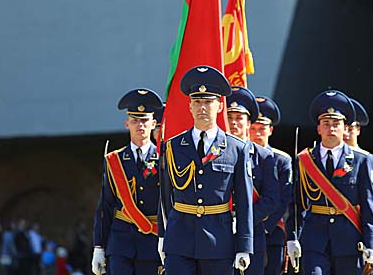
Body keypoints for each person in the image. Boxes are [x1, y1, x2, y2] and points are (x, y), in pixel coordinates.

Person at [158, 66, 254, 275]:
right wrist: (162, 235)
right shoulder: (172, 146)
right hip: (179, 238)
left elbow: (244, 200)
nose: (203, 107)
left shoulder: (236, 148)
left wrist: (244, 246)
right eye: (197, 102)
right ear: (190, 106)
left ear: (220, 106)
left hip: (218, 240)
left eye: (209, 102)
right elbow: (165, 197)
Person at [286, 89, 373, 275]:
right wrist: (292, 237)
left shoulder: (361, 160)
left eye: (336, 124)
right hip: (314, 239)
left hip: (349, 240)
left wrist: (372, 243)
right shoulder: (304, 160)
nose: (331, 128)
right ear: (319, 128)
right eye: (326, 124)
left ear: (346, 128)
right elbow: (295, 203)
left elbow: (369, 206)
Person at [92, 88, 163, 275]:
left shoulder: (164, 158)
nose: (140, 125)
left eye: (145, 120)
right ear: (127, 124)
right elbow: (105, 207)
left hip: (152, 242)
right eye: (135, 121)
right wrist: (99, 247)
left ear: (153, 123)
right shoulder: (114, 160)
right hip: (121, 244)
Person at [226, 86, 279, 275]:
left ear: (249, 123)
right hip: (218, 230)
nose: (234, 123)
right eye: (230, 118)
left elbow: (271, 198)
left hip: (251, 233)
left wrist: (244, 220)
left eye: (239, 118)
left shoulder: (264, 156)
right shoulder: (215, 152)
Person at [343, 97, 373, 269]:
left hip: (362, 230)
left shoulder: (372, 161)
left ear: (358, 130)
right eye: (344, 128)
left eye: (351, 128)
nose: (347, 133)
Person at [250, 96, 293, 275]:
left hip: (272, 230)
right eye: (253, 128)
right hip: (246, 229)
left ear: (271, 130)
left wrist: (265, 226)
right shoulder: (239, 154)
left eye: (262, 129)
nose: (257, 133)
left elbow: (284, 199)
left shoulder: (281, 160)